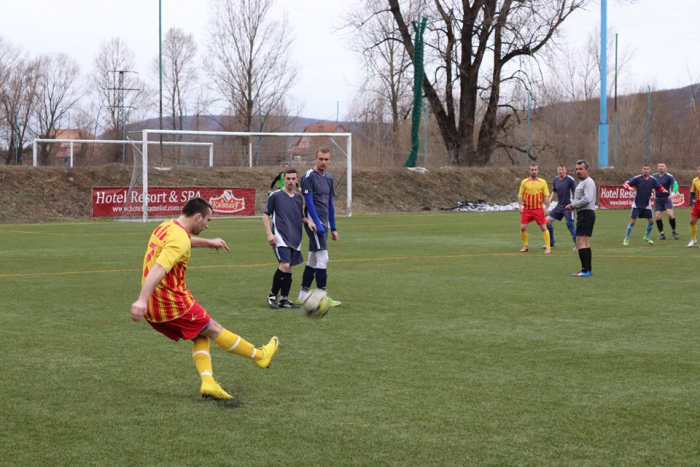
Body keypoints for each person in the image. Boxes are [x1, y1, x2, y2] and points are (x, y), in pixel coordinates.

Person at [130, 197, 279, 401]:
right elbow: (159, 268)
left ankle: (208, 383)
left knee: (200, 335)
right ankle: (260, 356)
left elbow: (184, 241)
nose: (208, 225)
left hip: (155, 305)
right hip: (171, 303)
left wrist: (208, 243)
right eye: (207, 220)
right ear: (198, 216)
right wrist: (140, 300)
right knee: (214, 328)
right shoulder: (180, 239)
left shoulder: (166, 227)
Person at [296, 148, 341, 306]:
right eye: (320, 159)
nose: (323, 162)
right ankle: (322, 296)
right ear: (315, 158)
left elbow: (329, 204)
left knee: (313, 260)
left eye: (326, 159)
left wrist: (333, 227)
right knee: (324, 258)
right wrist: (317, 224)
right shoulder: (308, 176)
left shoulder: (329, 178)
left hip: (324, 223)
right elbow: (308, 202)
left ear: (330, 160)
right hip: (314, 223)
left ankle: (302, 295)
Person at [263, 168, 313, 309]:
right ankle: (272, 295)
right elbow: (266, 214)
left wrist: (308, 221)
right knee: (284, 265)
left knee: (289, 268)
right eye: (288, 179)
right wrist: (269, 233)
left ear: (297, 180)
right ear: (284, 180)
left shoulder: (298, 198)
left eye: (293, 179)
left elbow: (300, 216)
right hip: (280, 236)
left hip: (295, 237)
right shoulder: (275, 195)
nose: (290, 181)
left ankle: (284, 299)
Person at [622, 164, 668, 245]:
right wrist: (629, 187)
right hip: (637, 204)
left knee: (651, 222)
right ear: (642, 170)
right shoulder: (637, 178)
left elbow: (659, 187)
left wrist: (663, 190)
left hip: (647, 205)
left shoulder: (652, 180)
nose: (646, 170)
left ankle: (646, 236)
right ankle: (626, 238)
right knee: (632, 222)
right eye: (644, 169)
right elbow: (626, 183)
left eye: (647, 169)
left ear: (649, 170)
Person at [566, 160, 596, 277]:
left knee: (580, 242)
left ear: (587, 170)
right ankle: (588, 269)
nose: (578, 171)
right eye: (577, 169)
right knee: (585, 242)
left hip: (586, 214)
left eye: (580, 169)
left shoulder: (588, 182)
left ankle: (585, 270)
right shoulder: (583, 182)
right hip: (585, 213)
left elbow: (587, 199)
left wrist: (573, 205)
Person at [517, 164, 551, 254]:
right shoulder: (524, 182)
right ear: (529, 171)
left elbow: (546, 196)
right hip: (527, 209)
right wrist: (520, 206)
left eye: (535, 169)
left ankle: (548, 247)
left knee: (543, 227)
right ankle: (525, 246)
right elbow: (520, 195)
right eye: (532, 170)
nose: (534, 171)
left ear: (538, 170)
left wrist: (547, 208)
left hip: (538, 209)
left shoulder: (542, 182)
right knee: (523, 228)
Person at [545, 164, 577, 250]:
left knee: (570, 224)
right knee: (546, 222)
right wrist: (548, 203)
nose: (561, 171)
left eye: (562, 169)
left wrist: (574, 204)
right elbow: (554, 192)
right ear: (557, 170)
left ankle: (578, 245)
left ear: (565, 170)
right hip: (559, 206)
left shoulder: (570, 180)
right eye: (559, 169)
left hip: (569, 206)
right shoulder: (556, 179)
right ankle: (551, 242)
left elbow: (576, 192)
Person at [651, 162, 680, 240]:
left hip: (667, 198)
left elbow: (675, 185)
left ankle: (674, 231)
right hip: (658, 199)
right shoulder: (653, 176)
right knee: (657, 216)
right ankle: (662, 234)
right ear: (657, 168)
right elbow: (648, 184)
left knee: (670, 214)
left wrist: (673, 193)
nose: (661, 167)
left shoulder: (669, 176)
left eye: (662, 166)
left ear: (665, 167)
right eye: (659, 166)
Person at [688, 165, 700, 247]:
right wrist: (692, 199)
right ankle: (693, 239)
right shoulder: (695, 180)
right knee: (692, 222)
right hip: (697, 204)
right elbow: (692, 192)